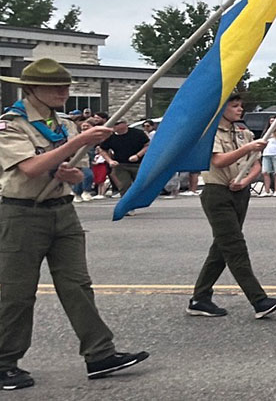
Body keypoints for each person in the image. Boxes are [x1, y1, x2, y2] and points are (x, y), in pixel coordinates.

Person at [0, 59, 149, 390]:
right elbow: (30, 168)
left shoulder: (63, 123)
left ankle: (99, 354)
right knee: (17, 291)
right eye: (55, 87)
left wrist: (71, 172)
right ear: (31, 89)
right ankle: (5, 361)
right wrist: (78, 144)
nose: (63, 92)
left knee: (77, 285)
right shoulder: (12, 125)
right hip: (23, 213)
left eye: (66, 86)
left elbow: (71, 170)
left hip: (62, 211)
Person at [186, 94, 276, 320]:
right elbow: (219, 161)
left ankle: (200, 298)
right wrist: (247, 148)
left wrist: (245, 180)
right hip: (217, 193)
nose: (240, 109)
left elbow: (256, 165)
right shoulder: (210, 133)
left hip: (239, 193)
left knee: (222, 248)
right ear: (221, 109)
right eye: (234, 106)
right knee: (235, 246)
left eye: (241, 106)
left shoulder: (244, 132)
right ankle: (259, 300)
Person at [99, 118, 148, 196]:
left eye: (116, 124)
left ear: (124, 124)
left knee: (141, 185)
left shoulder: (137, 133)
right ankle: (126, 204)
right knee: (124, 186)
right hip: (120, 165)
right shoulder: (110, 136)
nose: (114, 127)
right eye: (112, 125)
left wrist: (138, 155)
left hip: (138, 164)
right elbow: (102, 149)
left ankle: (139, 200)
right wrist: (110, 161)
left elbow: (147, 145)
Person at [260, 123, 276, 197]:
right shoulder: (266, 132)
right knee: (265, 172)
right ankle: (267, 190)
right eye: (271, 121)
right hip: (266, 154)